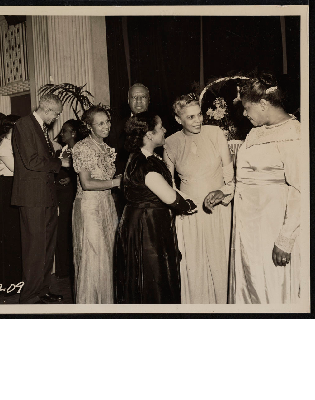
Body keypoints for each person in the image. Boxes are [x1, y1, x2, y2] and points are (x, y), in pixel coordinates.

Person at [229, 74, 301, 304]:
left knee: (269, 285)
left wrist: (285, 239)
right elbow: (249, 175)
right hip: (247, 225)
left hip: (271, 223)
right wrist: (226, 190)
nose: (243, 113)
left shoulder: (294, 135)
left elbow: (301, 190)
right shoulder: (256, 130)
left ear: (263, 104)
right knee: (249, 283)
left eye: (247, 107)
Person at [114, 112, 196, 304]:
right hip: (146, 227)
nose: (165, 130)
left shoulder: (146, 158)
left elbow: (170, 190)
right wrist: (189, 205)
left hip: (145, 223)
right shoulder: (144, 164)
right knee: (153, 278)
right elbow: (170, 197)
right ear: (149, 134)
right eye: (160, 128)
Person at [163, 93, 235, 304]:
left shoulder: (216, 133)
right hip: (189, 213)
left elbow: (231, 176)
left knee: (220, 261)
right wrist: (183, 204)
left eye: (199, 115)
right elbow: (170, 186)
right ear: (178, 120)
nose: (198, 121)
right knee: (194, 264)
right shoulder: (170, 143)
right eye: (191, 117)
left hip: (218, 210)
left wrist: (222, 192)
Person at [11, 93, 69, 304]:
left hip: (45, 196)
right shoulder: (24, 125)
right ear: (47, 109)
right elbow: (32, 161)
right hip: (32, 197)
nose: (55, 118)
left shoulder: (41, 127)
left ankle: (42, 290)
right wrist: (60, 163)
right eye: (55, 114)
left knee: (46, 246)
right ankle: (29, 296)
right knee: (35, 248)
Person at [72, 105, 121, 304]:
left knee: (108, 255)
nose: (106, 126)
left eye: (107, 121)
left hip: (107, 205)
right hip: (89, 207)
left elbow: (105, 176)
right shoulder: (82, 147)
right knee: (94, 256)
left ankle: (107, 304)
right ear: (89, 127)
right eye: (100, 123)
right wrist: (116, 182)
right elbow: (87, 183)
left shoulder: (107, 148)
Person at [0, 115, 22, 295]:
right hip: (6, 190)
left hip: (11, 188)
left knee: (12, 236)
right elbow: (18, 170)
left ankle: (13, 280)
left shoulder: (10, 144)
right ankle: (6, 281)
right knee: (7, 236)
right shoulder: (5, 146)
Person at [107, 83, 150, 218]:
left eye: (142, 97)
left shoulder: (159, 124)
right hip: (128, 188)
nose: (138, 101)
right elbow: (112, 155)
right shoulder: (117, 127)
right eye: (134, 97)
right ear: (128, 101)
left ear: (149, 99)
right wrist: (119, 175)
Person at [54, 119, 83, 281]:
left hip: (72, 196)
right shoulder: (61, 151)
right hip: (60, 196)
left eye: (65, 130)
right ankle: (62, 269)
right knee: (62, 231)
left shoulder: (79, 150)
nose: (61, 133)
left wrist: (71, 180)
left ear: (73, 133)